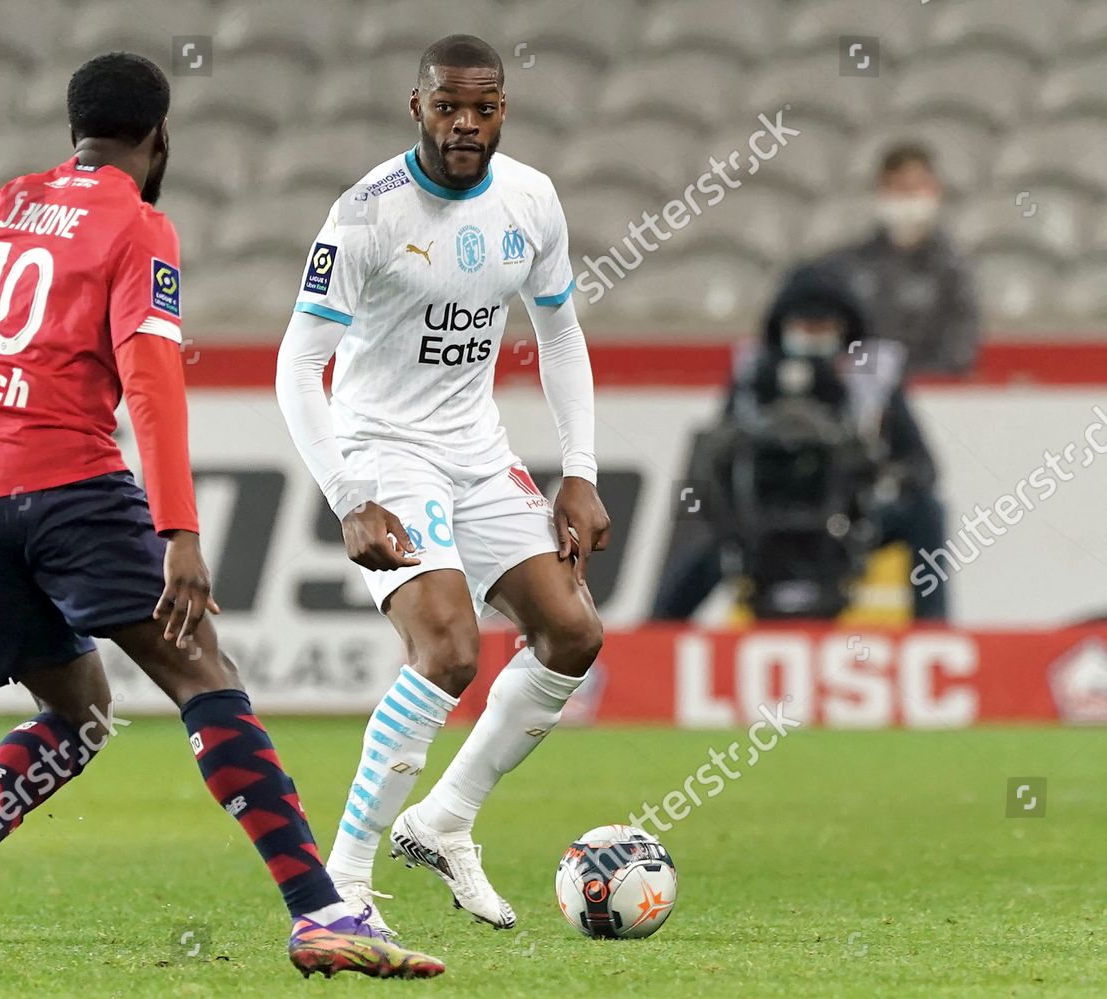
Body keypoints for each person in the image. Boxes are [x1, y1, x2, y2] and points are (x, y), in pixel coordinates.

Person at [0, 52, 442, 981]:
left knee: (78, 712)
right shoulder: (139, 225)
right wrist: (180, 532)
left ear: (72, 128)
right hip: (71, 489)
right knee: (205, 673)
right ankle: (320, 910)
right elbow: (153, 384)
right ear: (161, 137)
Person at [274, 35, 610, 938]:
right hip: (385, 447)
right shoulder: (366, 213)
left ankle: (444, 819)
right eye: (449, 106)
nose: (467, 123)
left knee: (573, 634)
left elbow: (563, 335)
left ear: (504, 109)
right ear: (416, 107)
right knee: (449, 651)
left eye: (485, 107)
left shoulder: (531, 199)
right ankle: (341, 884)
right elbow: (297, 364)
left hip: (475, 446)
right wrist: (349, 493)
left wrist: (578, 472)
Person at [650, 262, 947, 621]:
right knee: (695, 510)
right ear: (784, 328)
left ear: (845, 332)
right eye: (805, 326)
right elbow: (714, 456)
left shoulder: (874, 381)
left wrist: (877, 473)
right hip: (758, 519)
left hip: (847, 520)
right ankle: (656, 639)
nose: (813, 335)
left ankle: (933, 631)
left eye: (824, 327)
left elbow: (922, 466)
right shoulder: (753, 377)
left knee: (927, 512)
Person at [821, 141, 981, 375]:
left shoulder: (953, 271)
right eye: (896, 188)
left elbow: (958, 352)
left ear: (934, 191)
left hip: (932, 396)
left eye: (914, 188)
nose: (906, 199)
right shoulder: (849, 266)